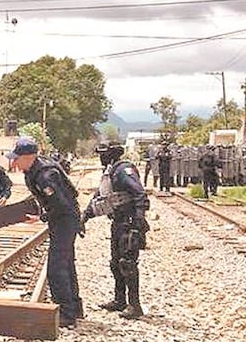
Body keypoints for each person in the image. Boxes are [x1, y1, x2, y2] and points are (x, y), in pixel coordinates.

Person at [8, 137, 83, 328]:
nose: (14, 162)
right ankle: (74, 308)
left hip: (65, 219)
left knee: (56, 268)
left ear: (29, 157)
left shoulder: (45, 175)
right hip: (62, 218)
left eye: (17, 158)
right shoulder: (33, 170)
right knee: (66, 263)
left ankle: (66, 315)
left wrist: (42, 218)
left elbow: (61, 204)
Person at [84, 143, 150, 320]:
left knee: (127, 263)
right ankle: (119, 300)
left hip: (129, 223)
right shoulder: (110, 172)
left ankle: (135, 306)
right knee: (115, 263)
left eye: (103, 155)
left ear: (111, 155)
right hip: (118, 222)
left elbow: (139, 194)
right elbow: (100, 198)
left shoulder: (123, 170)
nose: (100, 158)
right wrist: (85, 216)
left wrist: (139, 218)